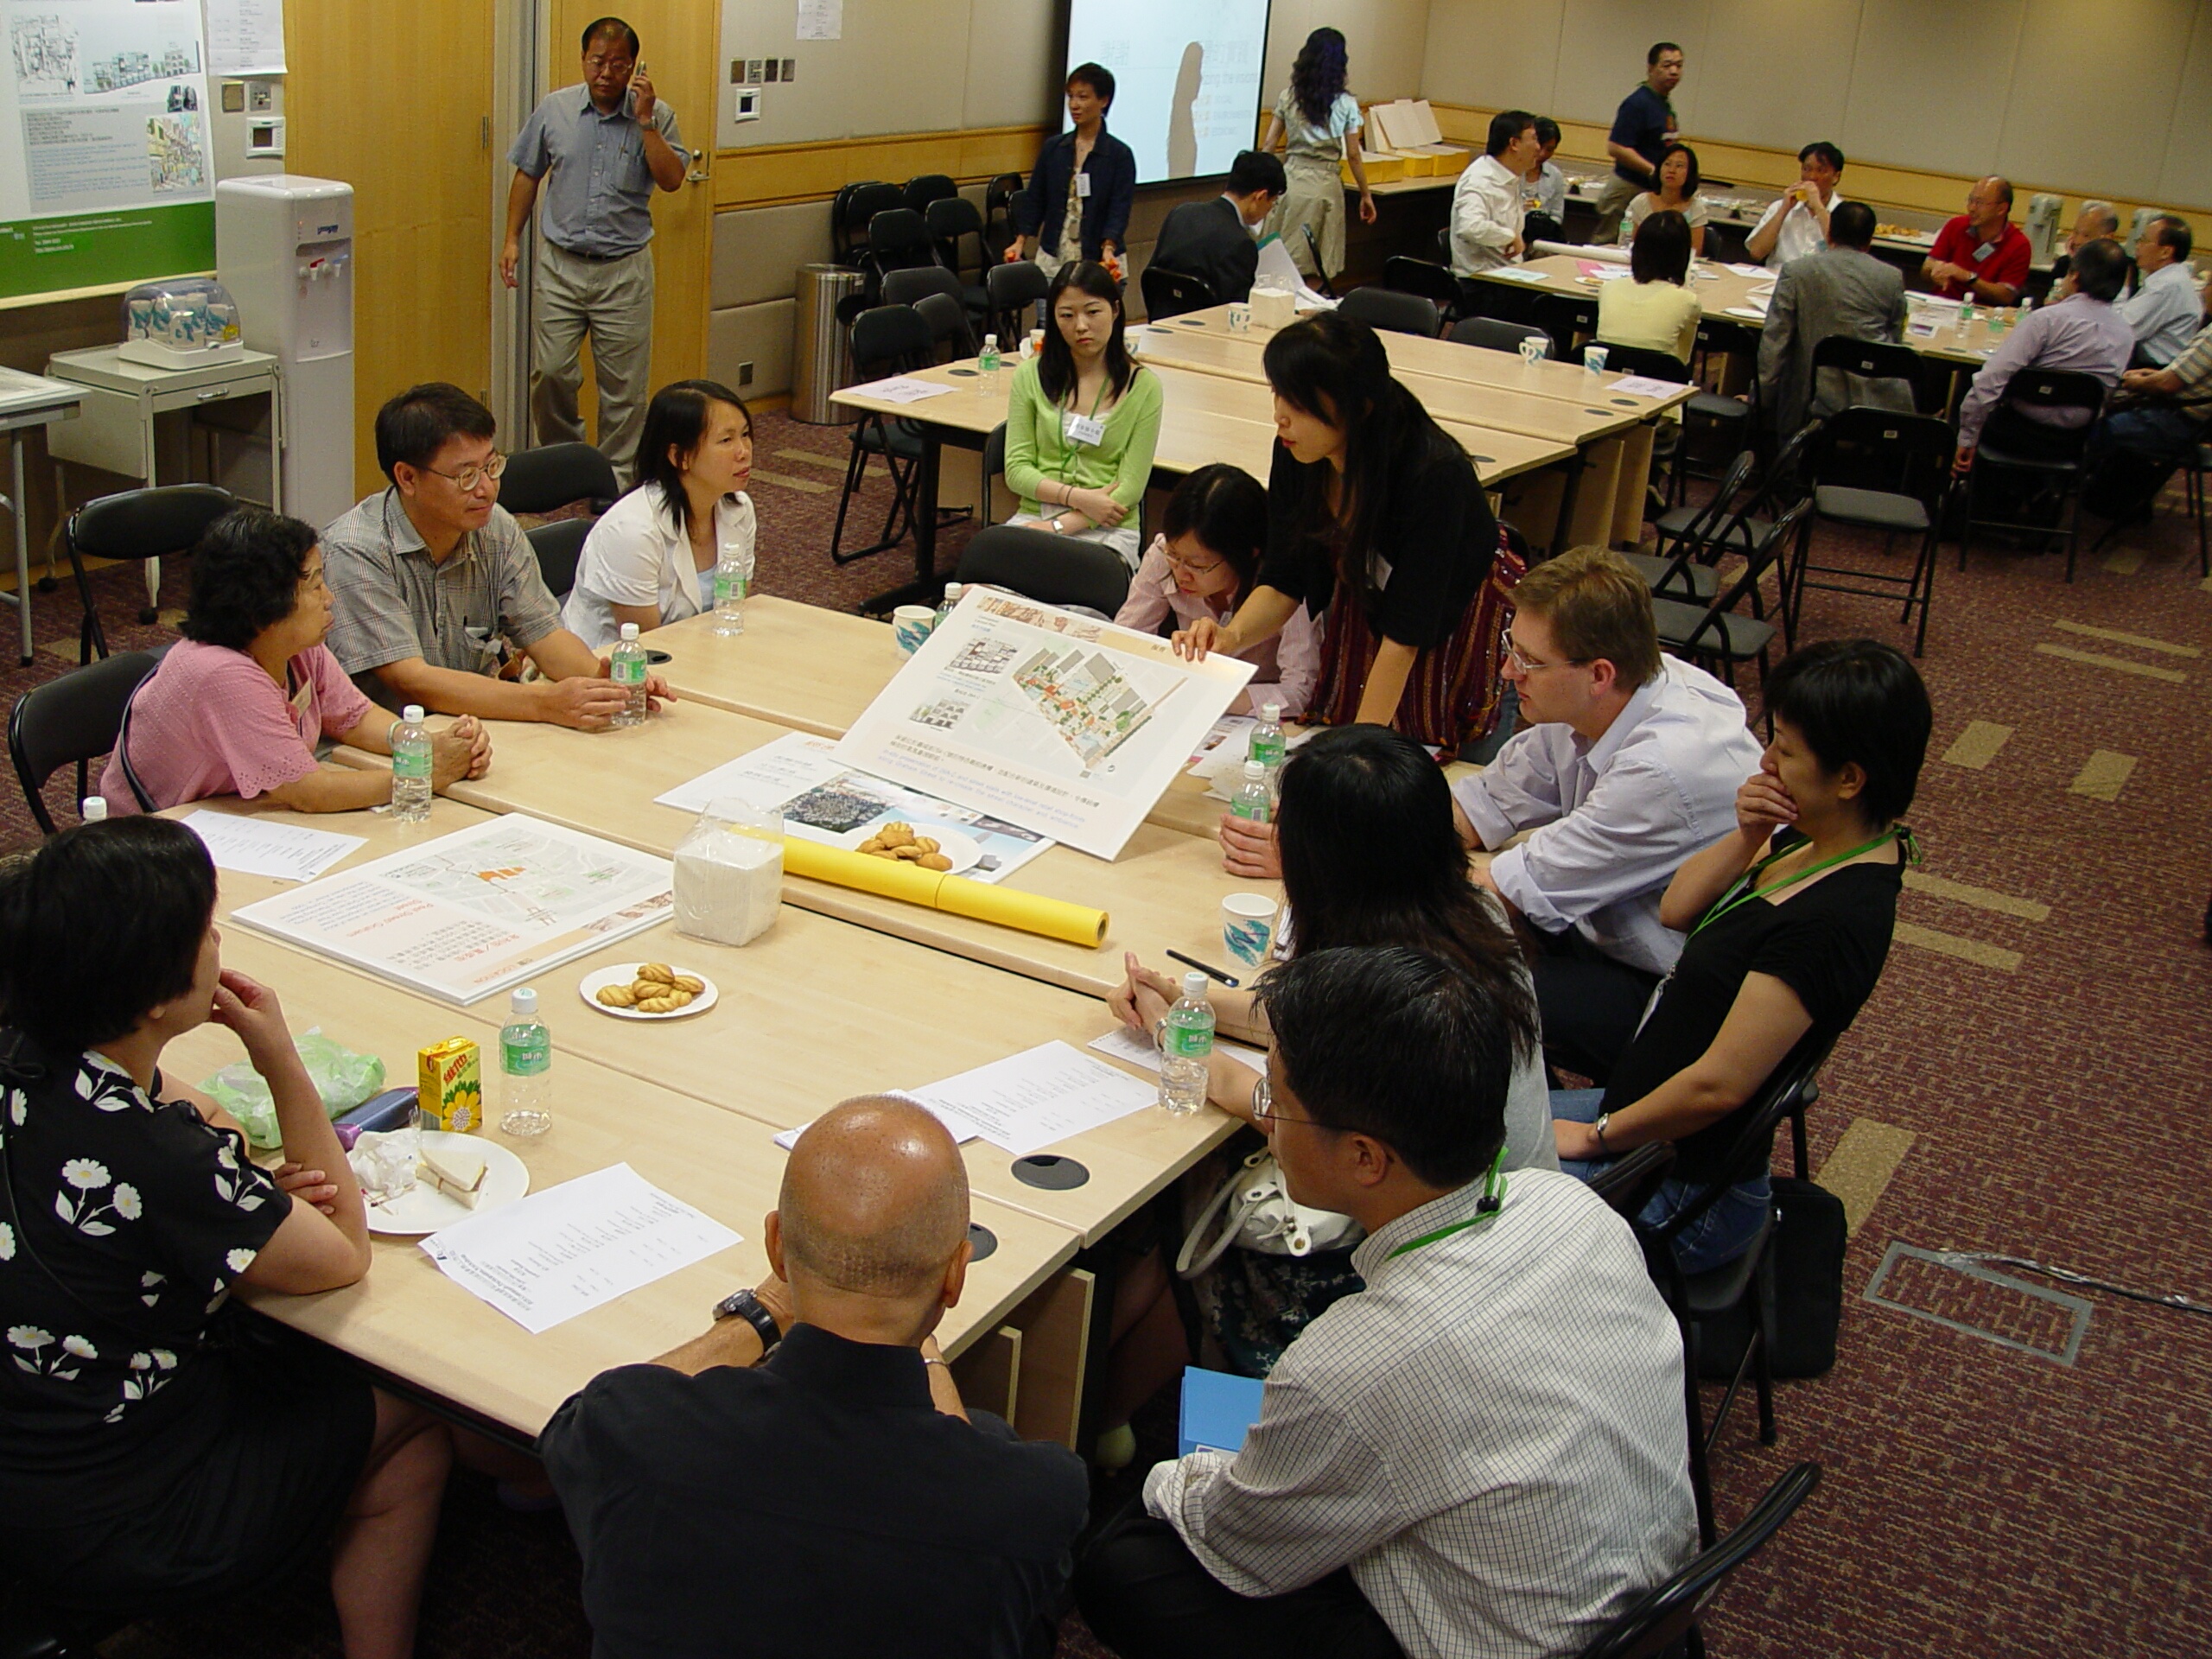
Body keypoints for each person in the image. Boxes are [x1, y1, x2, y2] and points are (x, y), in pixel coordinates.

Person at [1076, 944, 1699, 1659]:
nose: (1267, 1118)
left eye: (1278, 1103)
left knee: (1125, 1564)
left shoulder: (1357, 1360)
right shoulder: (1570, 1206)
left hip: (1510, 1641)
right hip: (1646, 1607)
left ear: (1366, 1158)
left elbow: (1235, 1537)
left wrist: (1176, 1476)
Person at [0, 817, 454, 1657]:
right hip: (115, 1510)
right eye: (205, 929)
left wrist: (223, 1188)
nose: (217, 941)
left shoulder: (32, 1045)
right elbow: (341, 1251)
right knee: (414, 1422)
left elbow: (206, 1121)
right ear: (155, 995)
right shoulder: (153, 1152)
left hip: (30, 1434)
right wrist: (276, 1054)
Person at [540, 1096, 1088, 1659]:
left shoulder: (637, 1431)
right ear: (955, 1276)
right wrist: (919, 1341)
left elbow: (571, 1430)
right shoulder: (1033, 1497)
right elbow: (971, 1471)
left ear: (776, 1247)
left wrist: (762, 1313)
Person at [1108, 723, 1560, 1381]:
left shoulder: (1368, 982)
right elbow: (1303, 1023)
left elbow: (1278, 1111)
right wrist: (1189, 999)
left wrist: (1168, 1030)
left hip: (1430, 1275)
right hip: (1520, 1230)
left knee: (1169, 1203)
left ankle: (1111, 1407)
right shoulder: (1468, 918)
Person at [1552, 639, 1930, 1274]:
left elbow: (1719, 1087)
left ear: (1849, 779)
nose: (1766, 761)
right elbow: (1677, 909)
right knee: (1447, 1126)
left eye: (1786, 750)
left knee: (1443, 1185)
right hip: (1640, 1122)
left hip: (1680, 1193)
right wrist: (1749, 833)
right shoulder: (1809, 839)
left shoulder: (1834, 921)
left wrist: (1596, 1138)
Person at [1451, 546, 1764, 1085]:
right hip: (1605, 929)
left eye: (1528, 660)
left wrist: (1345, 868)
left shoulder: (1662, 768)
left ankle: (1531, 1128)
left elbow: (1507, 888)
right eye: (1510, 648)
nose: (1508, 671)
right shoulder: (1595, 696)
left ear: (1598, 674)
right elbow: (1480, 808)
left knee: (1447, 980)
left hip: (1676, 1000)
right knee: (1454, 936)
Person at [1172, 313, 1512, 756]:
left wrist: (1354, 757)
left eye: (1298, 404)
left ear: (1358, 408)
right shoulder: (1299, 452)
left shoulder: (1432, 476)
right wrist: (1231, 637)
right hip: (1368, 596)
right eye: (1278, 394)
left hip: (1451, 611)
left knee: (1422, 753)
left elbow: (1405, 636)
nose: (1279, 417)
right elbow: (1285, 576)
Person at [322, 382, 673, 728]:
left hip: (472, 726)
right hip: (385, 742)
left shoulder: (494, 527)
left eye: (492, 467)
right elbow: (411, 680)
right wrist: (546, 704)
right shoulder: (356, 551)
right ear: (408, 477)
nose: (486, 489)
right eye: (466, 476)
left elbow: (545, 634)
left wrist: (605, 684)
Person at [98, 509, 490, 816]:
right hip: (155, 840)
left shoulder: (295, 645)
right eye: (314, 585)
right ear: (264, 604)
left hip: (232, 812)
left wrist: (421, 744)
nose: (329, 598)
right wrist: (425, 774)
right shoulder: (220, 674)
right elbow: (309, 791)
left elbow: (352, 717)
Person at [502, 17, 689, 480]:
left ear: (635, 67)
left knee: (624, 389)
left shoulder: (657, 115)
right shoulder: (555, 109)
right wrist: (511, 240)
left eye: (618, 64)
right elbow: (527, 174)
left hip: (623, 270)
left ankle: (616, 478)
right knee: (550, 373)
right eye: (597, 61)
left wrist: (645, 123)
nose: (606, 73)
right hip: (560, 265)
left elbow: (672, 180)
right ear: (583, 59)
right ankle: (567, 465)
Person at [561, 378, 755, 650]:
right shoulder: (632, 531)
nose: (743, 452)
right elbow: (648, 647)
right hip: (615, 665)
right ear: (679, 456)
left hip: (701, 654)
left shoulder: (739, 510)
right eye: (726, 440)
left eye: (745, 434)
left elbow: (735, 610)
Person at [1115, 463, 1319, 717]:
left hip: (1252, 715)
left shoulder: (1285, 586)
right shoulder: (1162, 555)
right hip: (1187, 701)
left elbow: (1301, 691)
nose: (1181, 574)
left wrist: (1207, 695)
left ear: (1247, 553)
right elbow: (1123, 643)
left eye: (1198, 565)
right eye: (1174, 555)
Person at [1001, 260, 1163, 570]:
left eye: (1092, 312)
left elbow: (1130, 487)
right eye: (1066, 315)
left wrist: (1062, 525)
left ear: (1115, 310)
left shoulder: (1144, 387)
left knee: (1068, 593)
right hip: (1036, 516)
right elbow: (1017, 470)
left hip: (1108, 525)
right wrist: (1078, 498)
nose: (1080, 326)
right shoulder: (1030, 375)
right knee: (979, 591)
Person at [1955, 238, 2133, 474]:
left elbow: (1992, 379)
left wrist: (1968, 437)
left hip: (2015, 432)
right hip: (2075, 442)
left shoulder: (2047, 319)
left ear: (2075, 277)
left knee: (1969, 396)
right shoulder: (2126, 333)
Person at [1757, 200, 1911, 437]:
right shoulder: (1891, 277)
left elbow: (1775, 341)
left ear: (1828, 234)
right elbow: (1895, 340)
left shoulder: (1797, 272)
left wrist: (1760, 397)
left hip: (1813, 398)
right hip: (1877, 398)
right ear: (1869, 241)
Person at [1260, 28, 1376, 283]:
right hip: (1324, 185)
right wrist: (1365, 194)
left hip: (1290, 182)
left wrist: (1261, 182)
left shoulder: (1288, 97)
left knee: (1280, 261)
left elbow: (1269, 143)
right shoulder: (1346, 104)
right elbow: (1354, 155)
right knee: (1317, 264)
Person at [1007, 62, 1135, 279]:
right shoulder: (1054, 148)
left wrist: (1108, 247)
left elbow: (1119, 208)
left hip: (1099, 257)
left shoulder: (1119, 154)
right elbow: (1036, 197)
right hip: (1055, 253)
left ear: (1104, 101)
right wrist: (1020, 242)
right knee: (1049, 300)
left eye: (1083, 97)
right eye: (1071, 97)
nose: (1074, 105)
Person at [1148, 149, 1287, 307]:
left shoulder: (1180, 214)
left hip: (1162, 317)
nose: (1270, 209)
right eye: (1273, 202)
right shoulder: (1241, 243)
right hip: (1207, 321)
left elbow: (1153, 277)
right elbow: (1236, 310)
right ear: (1260, 197)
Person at [1593, 42, 1685, 244]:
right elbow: (1616, 147)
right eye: (1667, 65)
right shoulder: (1638, 103)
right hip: (1628, 188)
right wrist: (1654, 170)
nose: (1674, 71)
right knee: (1608, 245)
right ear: (1651, 68)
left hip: (1650, 189)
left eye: (1679, 66)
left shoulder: (1663, 103)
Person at [1599, 208, 1702, 364]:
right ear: (1683, 254)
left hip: (1606, 373)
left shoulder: (1608, 289)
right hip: (1660, 375)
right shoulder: (1688, 301)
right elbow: (1683, 360)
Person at [1448, 109, 1537, 276]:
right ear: (1514, 144)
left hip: (1507, 273)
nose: (1538, 147)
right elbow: (1470, 227)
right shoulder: (1481, 179)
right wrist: (1510, 236)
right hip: (1481, 280)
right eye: (1533, 139)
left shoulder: (1509, 177)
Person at [1923, 177, 2031, 305]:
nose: (1971, 208)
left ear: (2001, 209)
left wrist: (1968, 277)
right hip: (1942, 303)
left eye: (1979, 203)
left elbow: (2006, 296)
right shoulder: (1956, 225)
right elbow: (1926, 267)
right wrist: (1934, 269)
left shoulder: (2019, 245)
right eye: (1970, 200)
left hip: (1982, 311)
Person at [1745, 142, 1847, 271]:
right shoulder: (1780, 206)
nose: (1811, 177)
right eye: (1806, 169)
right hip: (1780, 278)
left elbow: (1843, 257)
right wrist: (1784, 209)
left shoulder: (1845, 212)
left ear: (1836, 177)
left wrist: (1818, 207)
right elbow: (1756, 252)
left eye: (1821, 171)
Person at [2117, 216, 2201, 367]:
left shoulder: (2167, 285)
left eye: (2144, 241)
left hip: (2149, 367)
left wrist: (2123, 289)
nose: (2138, 246)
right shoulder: (2171, 278)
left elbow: (2121, 329)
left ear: (2165, 252)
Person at [1623, 142, 1708, 256]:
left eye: (1679, 166)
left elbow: (1694, 253)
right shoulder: (1640, 203)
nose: (1672, 170)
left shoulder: (1695, 208)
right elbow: (1629, 246)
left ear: (1690, 173)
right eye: (1667, 164)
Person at [2049, 200, 2120, 287]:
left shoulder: (2120, 269)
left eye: (2086, 235)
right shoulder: (2065, 263)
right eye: (2076, 232)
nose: (2077, 241)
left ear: (2108, 238)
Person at [1521, 115, 1566, 242]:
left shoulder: (1555, 175)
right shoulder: (1513, 169)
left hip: (1542, 239)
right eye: (1540, 147)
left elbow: (1557, 215)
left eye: (1550, 150)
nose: (1543, 154)